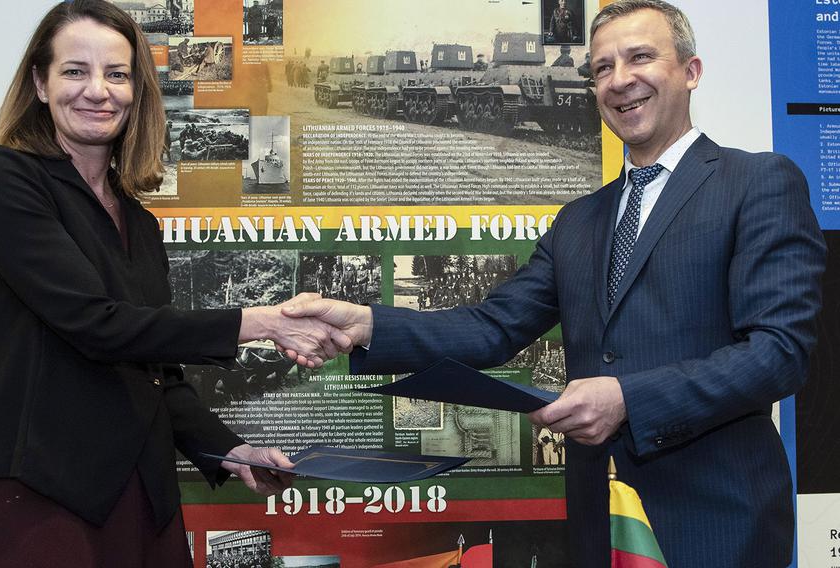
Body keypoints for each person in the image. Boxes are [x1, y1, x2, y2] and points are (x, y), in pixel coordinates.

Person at [282, 1, 827, 566]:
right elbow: (493, 327)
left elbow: (778, 353)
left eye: (640, 57)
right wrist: (367, 323)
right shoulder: (579, 220)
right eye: (602, 68)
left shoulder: (757, 181)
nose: (621, 80)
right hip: (598, 519)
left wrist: (628, 401)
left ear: (691, 71)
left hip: (717, 520)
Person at [0, 2, 347, 566]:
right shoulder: (3, 178)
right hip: (46, 494)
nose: (98, 90)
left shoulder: (136, 220)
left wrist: (229, 450)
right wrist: (263, 322)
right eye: (75, 71)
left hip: (143, 497)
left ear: (137, 91)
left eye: (117, 75)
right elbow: (98, 326)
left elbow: (156, 373)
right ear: (40, 84)